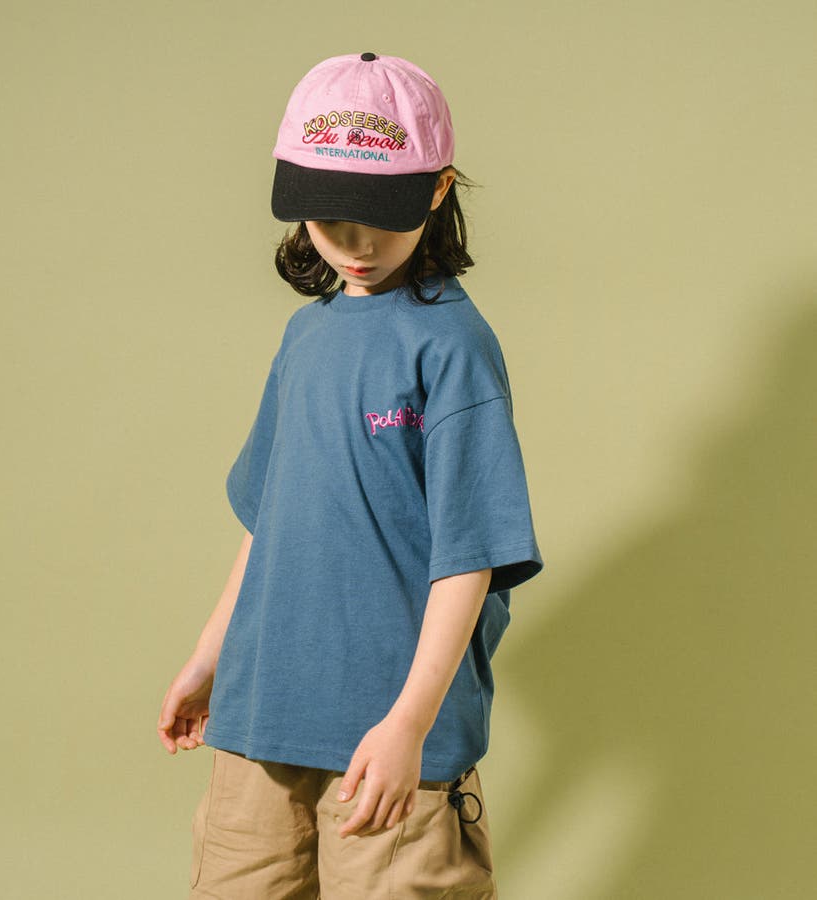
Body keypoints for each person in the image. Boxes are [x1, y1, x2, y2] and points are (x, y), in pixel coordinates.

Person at [157, 52, 544, 899]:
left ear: (437, 192)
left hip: (391, 737)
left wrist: (410, 724)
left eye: (378, 218)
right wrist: (208, 658)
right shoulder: (306, 337)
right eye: (330, 219)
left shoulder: (453, 347)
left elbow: (470, 558)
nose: (355, 245)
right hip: (261, 718)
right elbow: (269, 522)